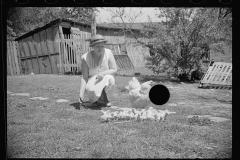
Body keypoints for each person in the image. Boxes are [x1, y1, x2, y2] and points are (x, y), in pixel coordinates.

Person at [79, 34, 118, 107]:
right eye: (97, 46)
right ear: (92, 46)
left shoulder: (108, 53)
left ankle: (106, 100)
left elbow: (114, 69)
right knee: (96, 90)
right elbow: (84, 77)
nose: (100, 48)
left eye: (102, 46)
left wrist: (103, 74)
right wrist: (81, 93)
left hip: (105, 80)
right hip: (92, 83)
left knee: (110, 78)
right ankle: (96, 100)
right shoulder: (85, 58)